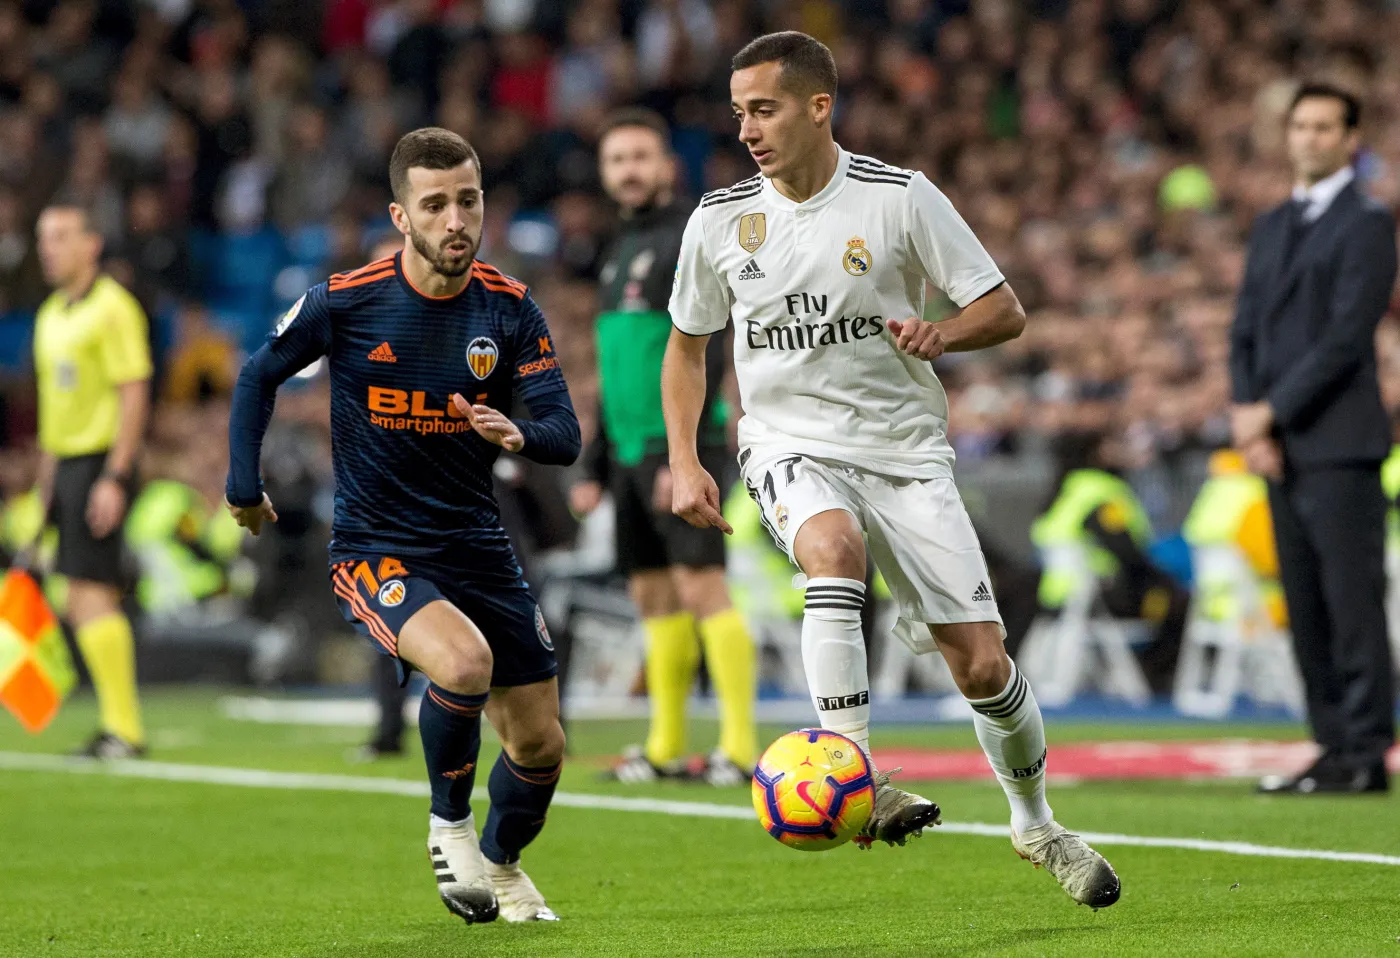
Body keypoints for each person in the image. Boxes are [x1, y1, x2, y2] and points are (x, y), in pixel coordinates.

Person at [662, 32, 1119, 908]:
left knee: (982, 667)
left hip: (906, 453)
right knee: (831, 553)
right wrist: (686, 459)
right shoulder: (719, 219)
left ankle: (1037, 825)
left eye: (764, 109)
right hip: (787, 440)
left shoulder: (899, 199)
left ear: (819, 106)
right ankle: (856, 779)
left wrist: (941, 333)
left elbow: (1005, 308)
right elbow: (688, 346)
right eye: (738, 114)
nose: (748, 129)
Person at [225, 128, 581, 924]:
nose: (456, 219)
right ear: (401, 215)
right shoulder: (347, 301)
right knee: (462, 663)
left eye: (468, 200)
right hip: (377, 547)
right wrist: (243, 487)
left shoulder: (511, 307)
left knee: (540, 747)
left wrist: (520, 433)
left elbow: (565, 431)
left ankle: (503, 862)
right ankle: (448, 825)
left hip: (478, 545)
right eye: (436, 204)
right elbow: (259, 373)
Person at [571, 108, 758, 786]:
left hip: (678, 444)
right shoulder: (615, 249)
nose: (628, 170)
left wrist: (695, 452)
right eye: (617, 159)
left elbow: (712, 344)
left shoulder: (690, 235)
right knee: (653, 596)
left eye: (640, 157)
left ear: (665, 165)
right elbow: (616, 365)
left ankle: (739, 749)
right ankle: (665, 747)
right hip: (624, 450)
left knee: (704, 586)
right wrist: (595, 460)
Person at [1230, 83, 1397, 795]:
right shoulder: (1271, 225)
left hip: (1339, 442)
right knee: (1304, 602)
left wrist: (1268, 414)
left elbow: (1344, 336)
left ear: (1350, 138)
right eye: (1301, 125)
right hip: (1279, 447)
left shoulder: (1367, 221)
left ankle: (1365, 750)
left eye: (1325, 127)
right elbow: (1243, 330)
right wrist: (1246, 414)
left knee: (1350, 600)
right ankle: (1331, 744)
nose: (1310, 137)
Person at [30, 203, 152, 759]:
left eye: (60, 236)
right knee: (77, 595)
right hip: (68, 467)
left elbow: (134, 392)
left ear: (91, 244)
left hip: (102, 460)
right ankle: (114, 725)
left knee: (94, 593)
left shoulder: (113, 309)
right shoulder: (50, 315)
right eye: (42, 238)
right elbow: (53, 416)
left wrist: (116, 476)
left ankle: (124, 729)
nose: (47, 247)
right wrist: (44, 489)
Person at [1029, 434, 1187, 692]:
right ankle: (1159, 681)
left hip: (1056, 597)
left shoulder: (1067, 490)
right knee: (1179, 601)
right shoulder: (1101, 493)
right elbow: (1125, 550)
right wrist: (1162, 579)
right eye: (1115, 443)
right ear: (1099, 453)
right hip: (1101, 597)